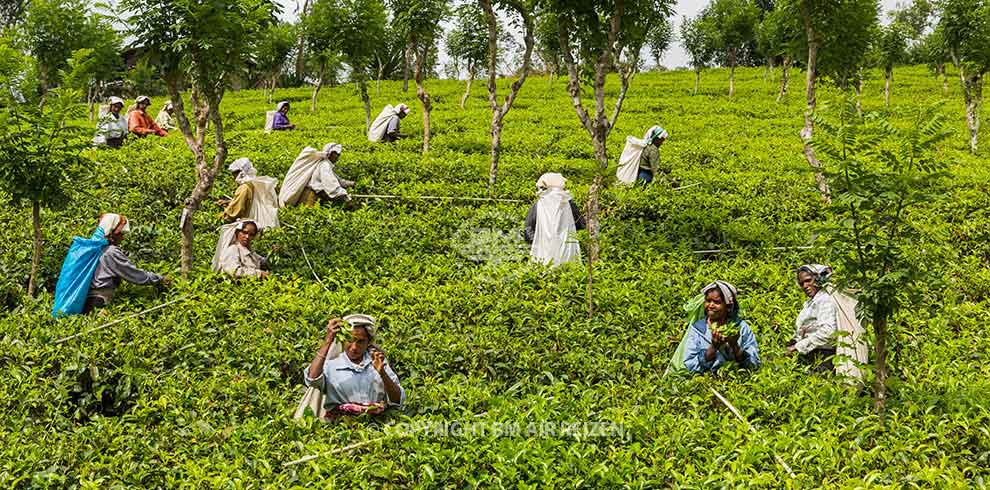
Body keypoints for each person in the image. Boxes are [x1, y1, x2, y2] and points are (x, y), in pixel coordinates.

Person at [301, 314, 405, 418]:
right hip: (339, 427)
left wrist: (383, 374)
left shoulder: (378, 362)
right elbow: (312, 379)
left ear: (369, 342)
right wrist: (328, 340)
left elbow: (397, 400)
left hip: (375, 427)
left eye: (360, 341)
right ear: (343, 340)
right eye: (350, 340)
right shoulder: (331, 365)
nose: (354, 347)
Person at [84, 214, 170, 313]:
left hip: (85, 302)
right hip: (100, 300)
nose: (123, 238)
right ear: (113, 233)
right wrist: (160, 279)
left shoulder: (91, 248)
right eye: (121, 234)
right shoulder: (111, 252)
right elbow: (135, 275)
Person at [683, 280, 761, 374]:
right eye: (708, 301)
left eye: (717, 302)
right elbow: (690, 365)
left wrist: (734, 345)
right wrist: (713, 347)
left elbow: (754, 364)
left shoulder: (741, 327)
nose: (711, 305)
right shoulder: (698, 329)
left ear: (728, 306)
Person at [524, 173, 585, 266]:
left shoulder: (538, 205)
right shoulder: (569, 203)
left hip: (542, 257)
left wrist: (539, 242)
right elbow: (581, 224)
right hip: (567, 254)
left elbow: (527, 230)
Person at [787, 264, 839, 373]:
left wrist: (797, 347)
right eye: (801, 284)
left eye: (808, 280)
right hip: (811, 354)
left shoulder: (825, 300)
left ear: (817, 279)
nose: (805, 286)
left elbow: (828, 332)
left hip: (824, 356)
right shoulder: (811, 302)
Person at [278, 143, 355, 207]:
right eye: (336, 154)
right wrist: (347, 198)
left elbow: (337, 180)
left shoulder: (325, 164)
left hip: (313, 195)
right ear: (330, 154)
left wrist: (350, 183)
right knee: (306, 216)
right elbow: (331, 185)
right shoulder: (324, 165)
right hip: (310, 196)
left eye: (338, 155)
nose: (337, 157)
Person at [219, 157, 280, 227]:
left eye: (234, 173)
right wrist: (229, 202)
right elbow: (249, 202)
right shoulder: (254, 183)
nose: (233, 176)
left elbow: (236, 211)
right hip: (262, 223)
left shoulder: (244, 188)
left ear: (240, 172)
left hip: (249, 226)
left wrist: (221, 216)